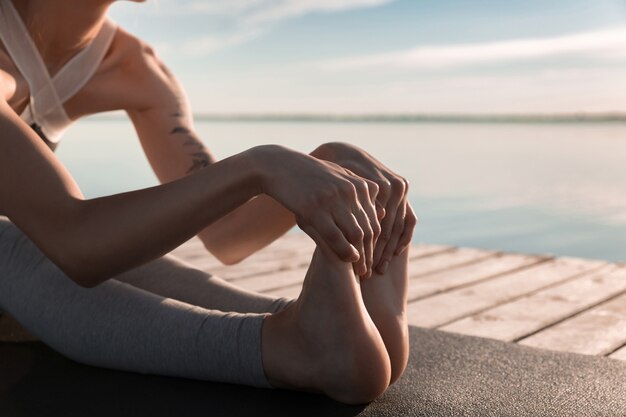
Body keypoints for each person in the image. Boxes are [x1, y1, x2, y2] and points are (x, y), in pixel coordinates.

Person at [0, 0, 417, 405]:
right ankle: (282, 349)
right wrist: (260, 166)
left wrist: (323, 164)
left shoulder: (136, 68)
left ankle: (325, 328)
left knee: (69, 245)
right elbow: (77, 244)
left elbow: (228, 234)